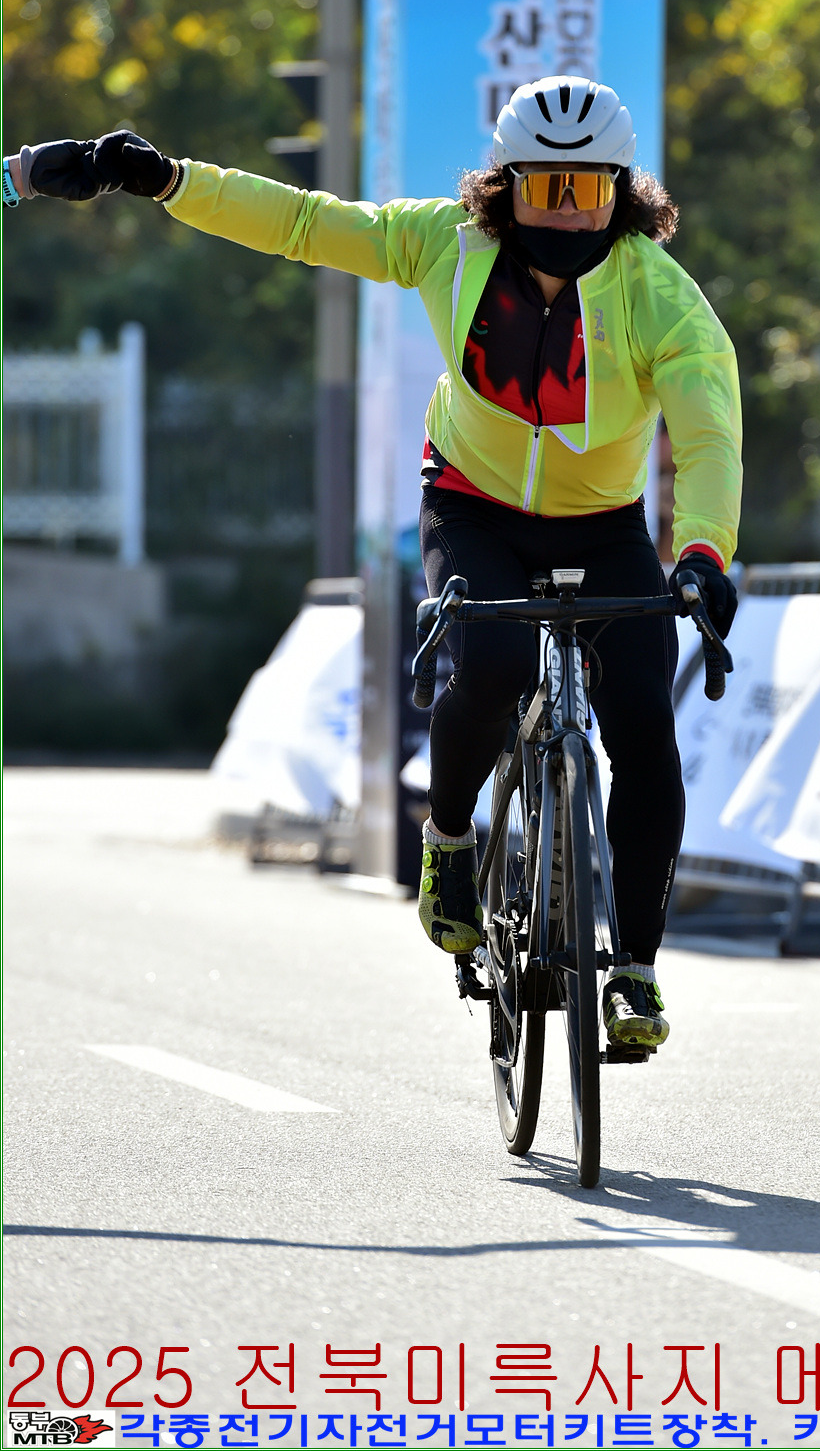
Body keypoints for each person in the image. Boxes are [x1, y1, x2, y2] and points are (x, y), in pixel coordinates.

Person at [4, 75, 742, 1048]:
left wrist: (701, 553)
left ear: (621, 191)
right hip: (472, 505)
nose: (568, 214)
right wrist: (173, 181)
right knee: (488, 665)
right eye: (546, 190)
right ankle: (449, 840)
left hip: (602, 524)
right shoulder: (447, 243)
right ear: (507, 188)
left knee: (645, 728)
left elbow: (708, 436)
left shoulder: (662, 299)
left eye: (589, 192)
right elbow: (305, 222)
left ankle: (636, 971)